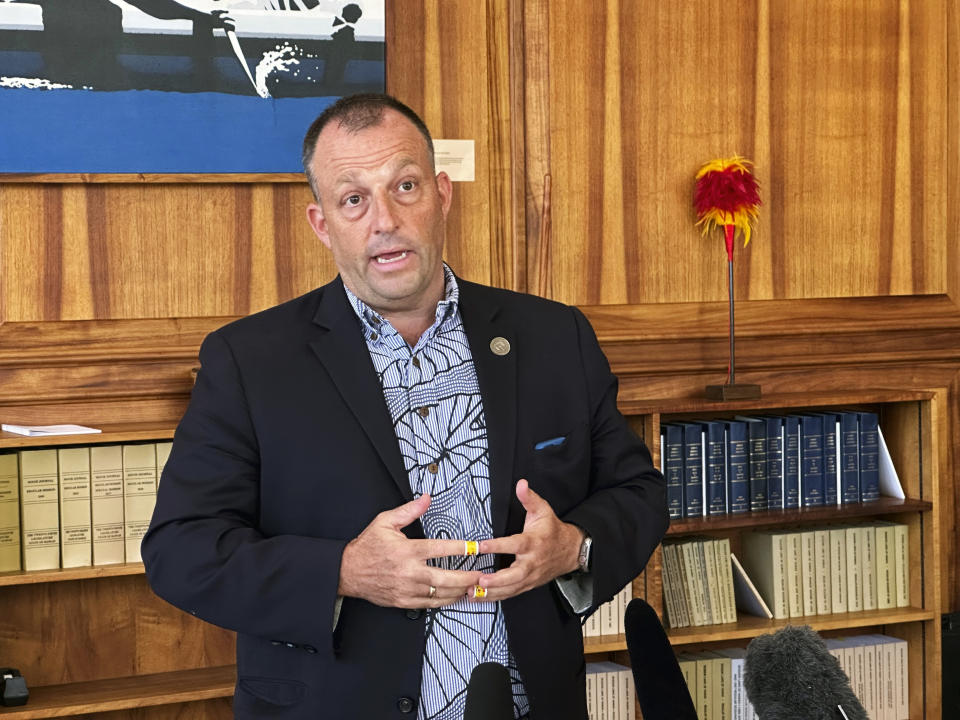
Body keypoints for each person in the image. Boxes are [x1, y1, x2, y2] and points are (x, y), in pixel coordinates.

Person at [142, 92, 668, 719]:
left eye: (406, 186)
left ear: (442, 195)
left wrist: (575, 546)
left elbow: (638, 493)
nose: (384, 219)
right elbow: (181, 549)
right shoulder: (249, 360)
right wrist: (342, 570)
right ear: (322, 223)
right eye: (353, 199)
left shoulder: (555, 336)